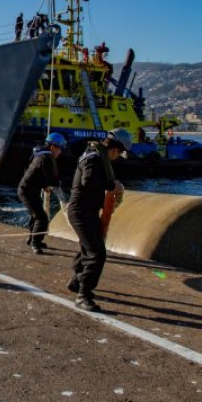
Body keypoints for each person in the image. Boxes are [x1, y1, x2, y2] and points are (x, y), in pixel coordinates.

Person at [65, 129, 129, 312]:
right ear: (115, 149)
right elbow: (88, 181)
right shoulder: (93, 158)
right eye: (119, 153)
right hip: (81, 212)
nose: (118, 158)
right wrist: (112, 185)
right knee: (97, 253)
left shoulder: (94, 156)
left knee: (87, 248)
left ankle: (76, 281)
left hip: (87, 211)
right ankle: (83, 295)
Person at [18, 133, 66, 255]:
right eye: (60, 149)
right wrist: (54, 185)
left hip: (28, 189)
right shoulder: (47, 158)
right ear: (53, 147)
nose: (60, 152)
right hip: (27, 191)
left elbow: (36, 172)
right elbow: (52, 177)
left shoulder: (39, 154)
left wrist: (44, 185)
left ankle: (31, 239)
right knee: (42, 218)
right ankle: (35, 243)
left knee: (35, 215)